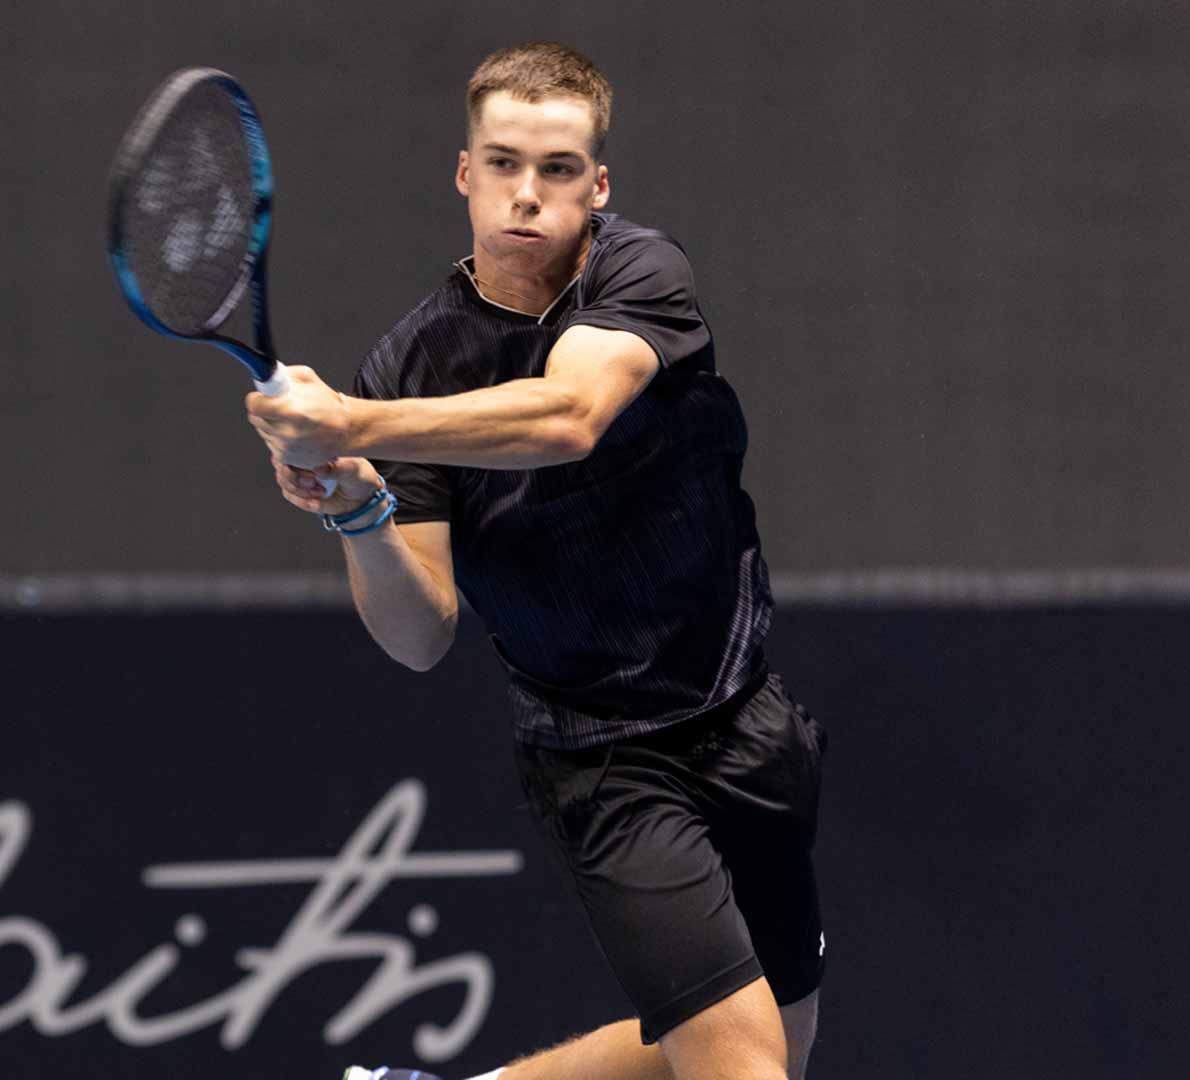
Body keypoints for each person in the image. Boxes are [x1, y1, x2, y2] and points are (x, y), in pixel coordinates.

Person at [243, 42, 828, 1080]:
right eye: (503, 164)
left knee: (784, 1035)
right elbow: (420, 632)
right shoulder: (414, 361)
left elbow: (569, 416)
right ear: (465, 175)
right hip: (602, 759)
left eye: (558, 169)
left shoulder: (643, 273)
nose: (528, 194)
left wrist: (350, 421)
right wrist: (364, 511)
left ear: (598, 187)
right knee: (744, 1067)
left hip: (744, 717)